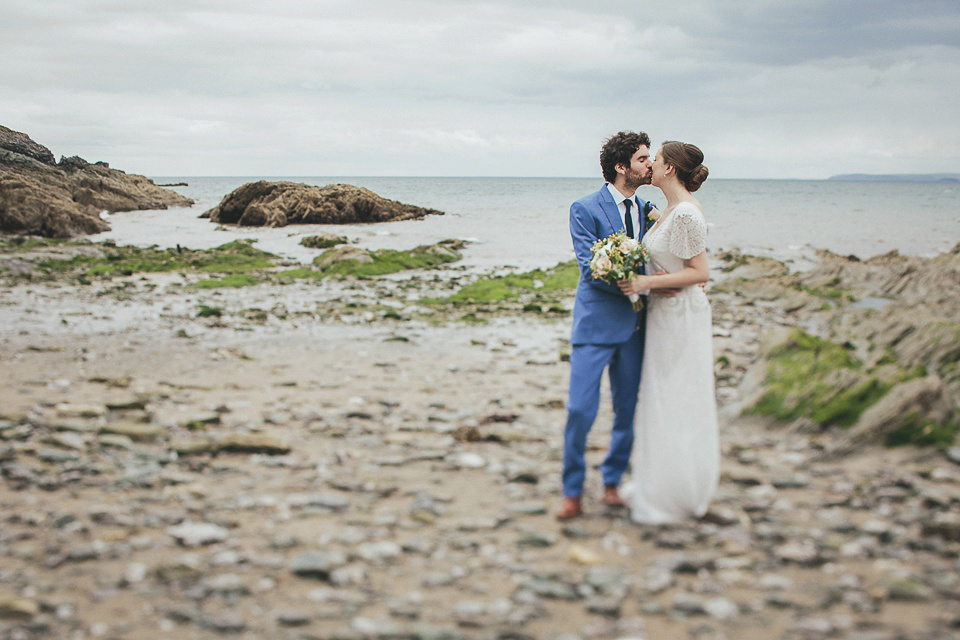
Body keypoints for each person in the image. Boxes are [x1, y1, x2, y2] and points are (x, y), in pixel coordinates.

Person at [556, 131, 658, 520]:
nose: (650, 165)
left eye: (650, 158)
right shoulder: (585, 208)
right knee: (581, 410)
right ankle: (572, 490)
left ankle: (612, 480)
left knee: (627, 411)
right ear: (621, 167)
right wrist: (635, 285)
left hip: (636, 327)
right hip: (596, 324)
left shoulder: (649, 209)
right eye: (643, 159)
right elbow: (589, 266)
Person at [617, 140, 720, 524]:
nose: (651, 165)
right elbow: (674, 250)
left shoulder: (687, 215)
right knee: (660, 394)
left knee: (676, 396)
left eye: (656, 159)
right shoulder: (672, 211)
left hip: (679, 315)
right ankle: (659, 481)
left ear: (670, 169)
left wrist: (644, 285)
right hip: (664, 314)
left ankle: (676, 492)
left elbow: (700, 272)